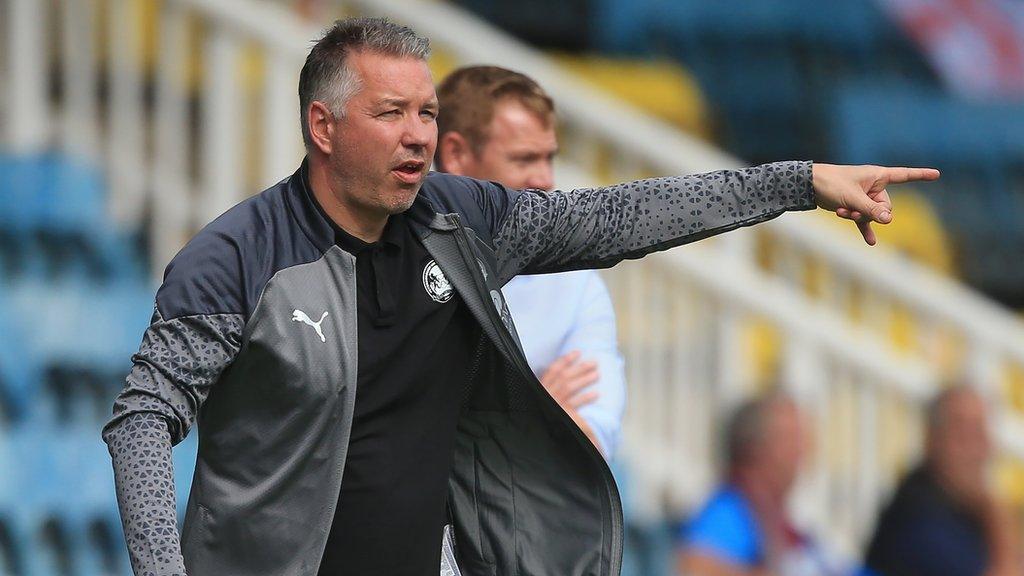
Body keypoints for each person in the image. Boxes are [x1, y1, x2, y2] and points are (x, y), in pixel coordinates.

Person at [100, 16, 940, 576]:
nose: (419, 134)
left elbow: (617, 216)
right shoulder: (235, 258)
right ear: (324, 128)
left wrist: (796, 183)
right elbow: (143, 417)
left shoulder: (459, 220)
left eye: (428, 112)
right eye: (392, 112)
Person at [434, 65, 625, 458]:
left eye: (549, 158)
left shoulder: (577, 280)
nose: (545, 179)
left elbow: (592, 446)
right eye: (524, 159)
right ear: (455, 154)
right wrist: (536, 412)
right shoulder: (397, 259)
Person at [677, 393, 858, 576]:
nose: (802, 451)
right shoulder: (731, 510)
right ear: (754, 448)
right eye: (789, 439)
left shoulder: (783, 521)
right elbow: (694, 566)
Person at [864, 385, 1021, 576]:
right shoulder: (916, 517)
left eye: (980, 433)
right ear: (932, 439)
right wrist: (994, 515)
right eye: (962, 434)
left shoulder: (964, 506)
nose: (975, 449)